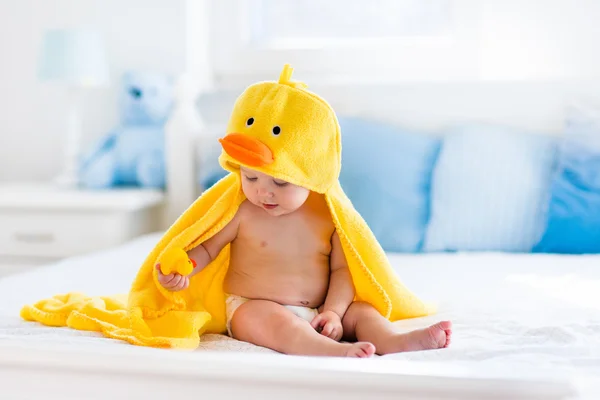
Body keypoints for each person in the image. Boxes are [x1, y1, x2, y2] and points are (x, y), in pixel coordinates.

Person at [155, 165, 452, 358]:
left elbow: (342, 271)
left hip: (321, 310)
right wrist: (186, 269)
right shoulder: (243, 213)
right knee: (277, 324)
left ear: (311, 174)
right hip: (252, 305)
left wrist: (334, 314)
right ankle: (328, 351)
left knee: (364, 312)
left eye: (280, 182)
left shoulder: (329, 217)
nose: (263, 191)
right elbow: (207, 250)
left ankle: (396, 342)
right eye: (251, 178)